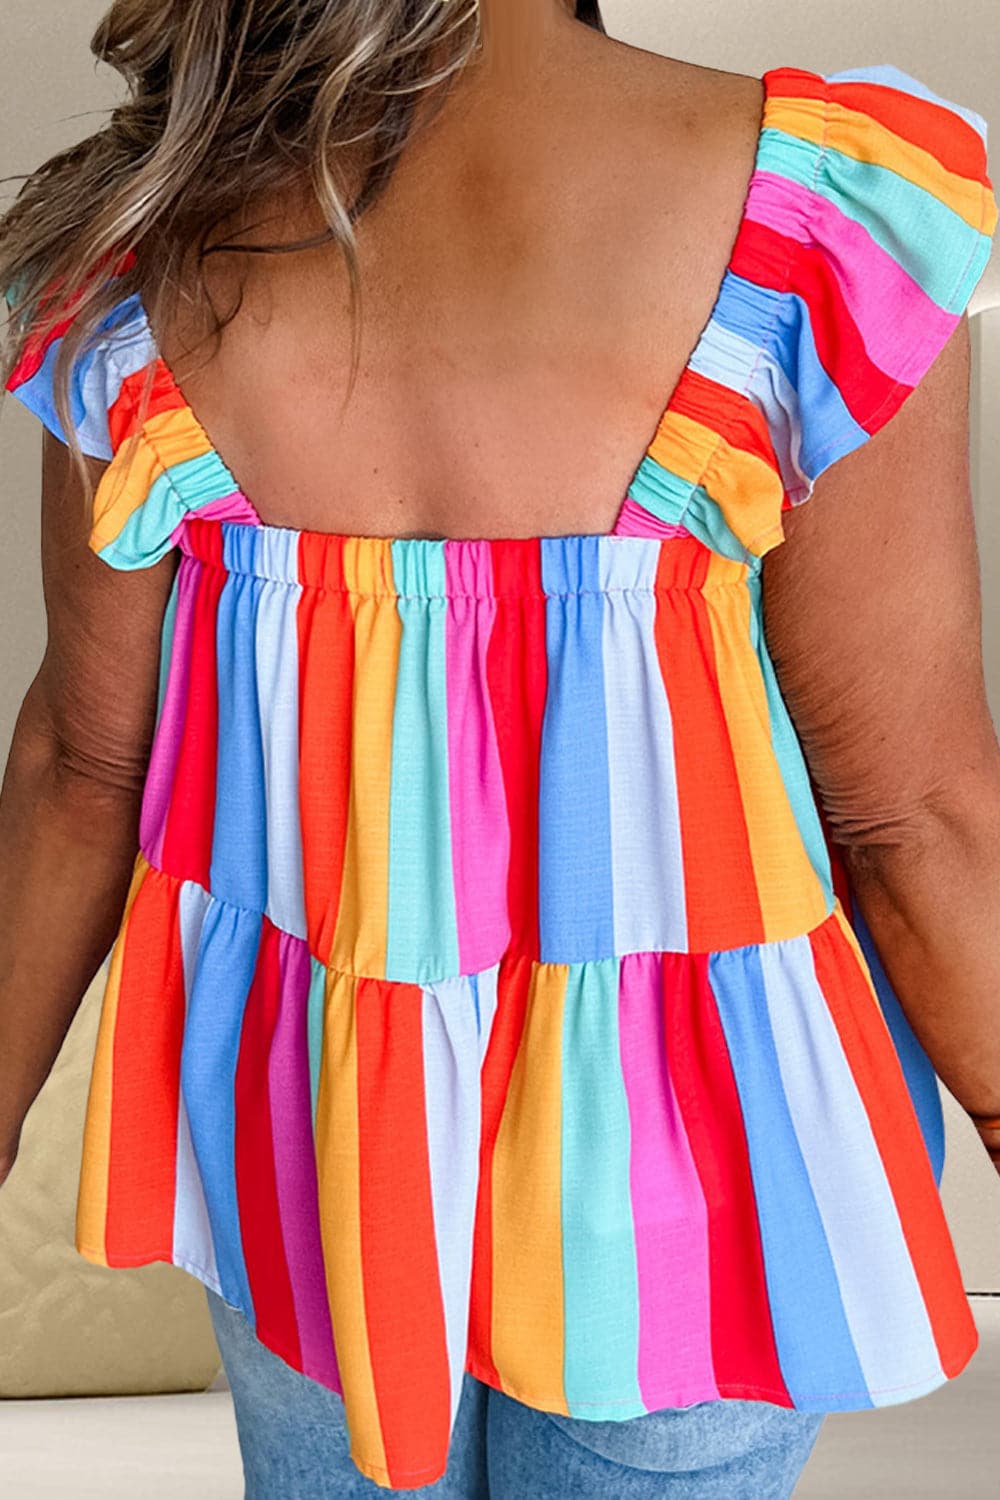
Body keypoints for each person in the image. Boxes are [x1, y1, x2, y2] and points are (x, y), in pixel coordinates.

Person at [1, 1, 999, 1495]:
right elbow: (909, 812)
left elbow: (86, 766)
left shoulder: (136, 258)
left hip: (315, 1150)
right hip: (686, 1164)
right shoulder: (805, 215)